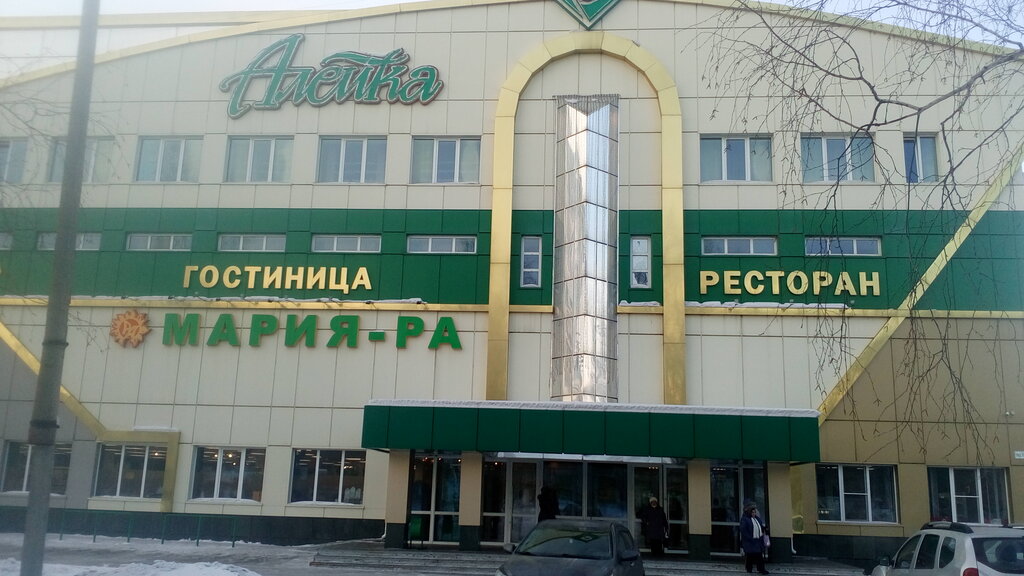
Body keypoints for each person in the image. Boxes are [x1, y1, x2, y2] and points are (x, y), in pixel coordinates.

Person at [740, 501, 769, 574]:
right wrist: (749, 538)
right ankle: (750, 568)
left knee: (758, 555)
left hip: (757, 540)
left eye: (754, 512)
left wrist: (764, 528)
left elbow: (760, 526)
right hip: (750, 541)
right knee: (750, 555)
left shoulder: (757, 519)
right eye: (752, 512)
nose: (754, 513)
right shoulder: (745, 519)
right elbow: (743, 530)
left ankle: (761, 569)